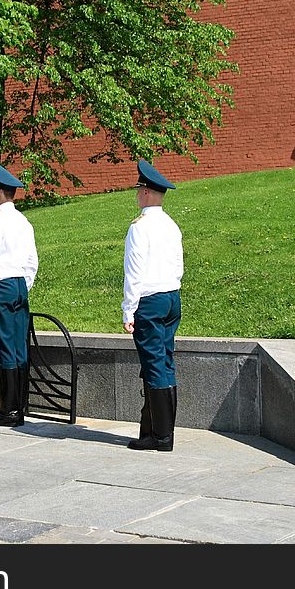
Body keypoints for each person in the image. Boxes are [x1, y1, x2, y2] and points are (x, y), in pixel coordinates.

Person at [122, 159, 183, 451]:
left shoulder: (140, 227)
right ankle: (154, 431)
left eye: (138, 190)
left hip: (149, 300)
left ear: (146, 192)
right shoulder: (171, 225)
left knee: (155, 366)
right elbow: (178, 266)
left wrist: (128, 309)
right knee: (164, 363)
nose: (136, 195)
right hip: (171, 296)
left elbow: (133, 272)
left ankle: (161, 436)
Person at [0, 162, 39, 427]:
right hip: (18, 285)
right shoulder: (23, 221)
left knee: (5, 348)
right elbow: (32, 261)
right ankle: (18, 407)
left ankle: (9, 410)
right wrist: (24, 285)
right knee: (18, 348)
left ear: (0, 192)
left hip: (1, 286)